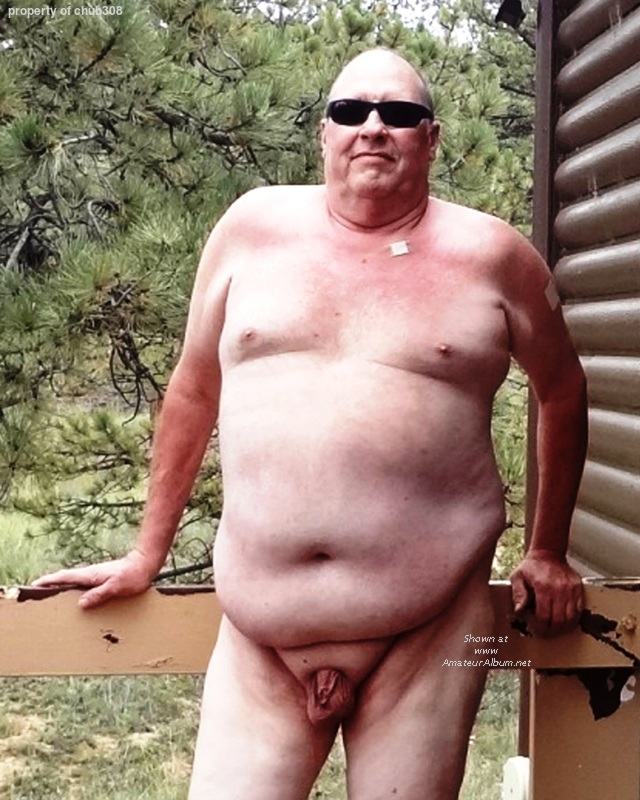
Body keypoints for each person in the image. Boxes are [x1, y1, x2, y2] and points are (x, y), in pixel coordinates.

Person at [35, 48, 588, 800]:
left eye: (400, 114)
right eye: (351, 111)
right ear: (324, 133)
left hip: (427, 633)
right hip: (260, 635)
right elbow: (193, 390)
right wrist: (146, 552)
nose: (373, 127)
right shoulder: (250, 229)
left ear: (431, 138)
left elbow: (563, 389)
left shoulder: (495, 255)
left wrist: (546, 550)